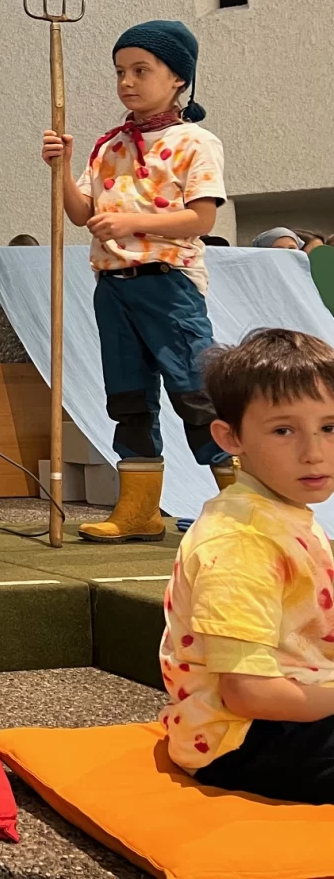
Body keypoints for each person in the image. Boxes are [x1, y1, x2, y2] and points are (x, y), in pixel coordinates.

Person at [41, 19, 234, 542]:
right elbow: (81, 213)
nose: (127, 81)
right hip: (113, 285)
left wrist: (131, 222)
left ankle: (242, 502)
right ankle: (140, 510)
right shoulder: (110, 146)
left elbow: (201, 220)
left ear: (178, 78)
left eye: (141, 70)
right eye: (120, 71)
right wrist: (63, 168)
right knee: (127, 395)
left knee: (195, 390)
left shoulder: (195, 141)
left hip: (168, 284)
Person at [160, 329, 334, 801]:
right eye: (283, 430)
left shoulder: (284, 513)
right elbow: (248, 693)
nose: (314, 452)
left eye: (329, 427)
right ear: (230, 437)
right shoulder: (242, 540)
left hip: (291, 708)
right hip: (240, 738)